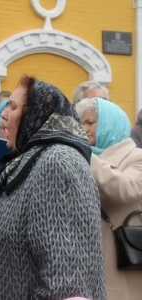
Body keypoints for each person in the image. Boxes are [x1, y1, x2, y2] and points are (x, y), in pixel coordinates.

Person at [0, 75, 106, 299]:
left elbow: (65, 284)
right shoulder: (31, 157)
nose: (3, 114)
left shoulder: (58, 163)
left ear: (35, 113)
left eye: (12, 106)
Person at [75, 97, 142, 300]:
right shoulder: (80, 157)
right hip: (82, 258)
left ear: (108, 124)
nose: (84, 129)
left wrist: (87, 155)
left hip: (119, 260)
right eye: (81, 123)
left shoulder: (136, 156)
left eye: (90, 123)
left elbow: (127, 189)